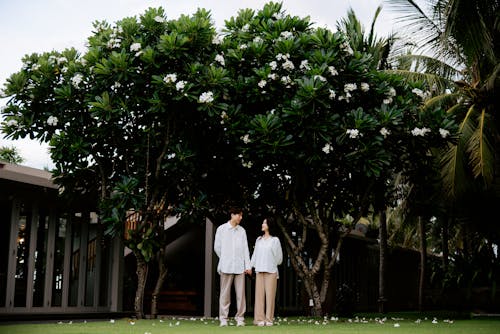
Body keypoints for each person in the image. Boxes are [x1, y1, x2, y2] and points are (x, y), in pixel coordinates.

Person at [214, 206, 252, 327]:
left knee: (241, 295)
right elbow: (217, 247)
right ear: (232, 215)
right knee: (225, 294)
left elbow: (246, 249)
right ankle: (223, 318)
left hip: (240, 267)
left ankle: (240, 318)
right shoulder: (222, 229)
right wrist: (225, 258)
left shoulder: (242, 231)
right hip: (226, 266)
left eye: (241, 215)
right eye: (239, 215)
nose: (240, 217)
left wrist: (248, 266)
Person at [250, 217, 283, 326]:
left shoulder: (275, 240)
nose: (262, 224)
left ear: (269, 225)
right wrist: (250, 267)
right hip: (259, 270)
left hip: (271, 271)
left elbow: (279, 259)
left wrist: (271, 263)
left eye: (264, 222)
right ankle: (259, 319)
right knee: (259, 297)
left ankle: (269, 319)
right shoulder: (258, 240)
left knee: (270, 296)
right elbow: (254, 255)